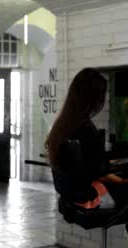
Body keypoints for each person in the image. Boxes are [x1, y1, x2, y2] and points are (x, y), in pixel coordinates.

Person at [46, 68, 128, 209]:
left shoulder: (61, 126)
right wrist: (121, 180)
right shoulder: (85, 129)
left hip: (69, 195)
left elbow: (89, 167)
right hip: (88, 196)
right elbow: (99, 173)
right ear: (94, 98)